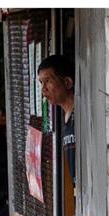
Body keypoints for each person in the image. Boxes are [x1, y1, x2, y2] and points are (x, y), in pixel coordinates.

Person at [38, 54, 75, 187]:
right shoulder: (65, 118)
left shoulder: (82, 115)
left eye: (48, 81)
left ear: (67, 83)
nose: (43, 89)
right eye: (41, 82)